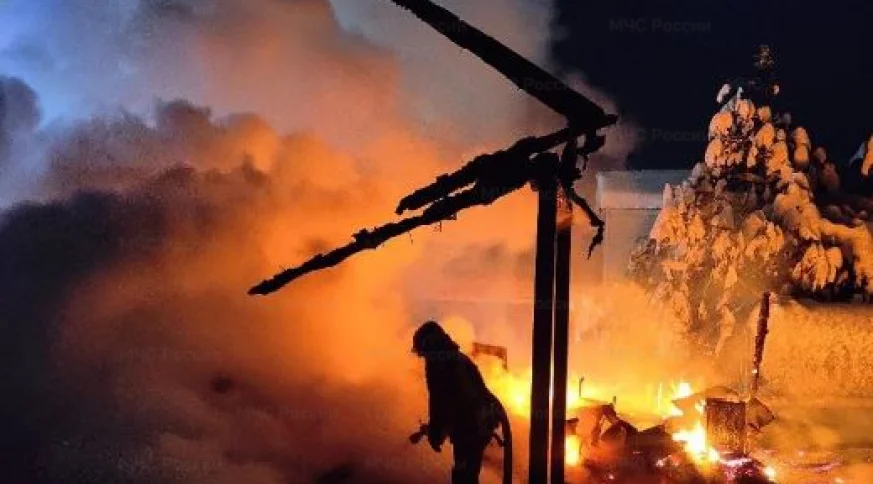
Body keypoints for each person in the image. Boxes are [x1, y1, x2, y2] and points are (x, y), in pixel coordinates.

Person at [412, 321, 509, 484]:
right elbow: (456, 399)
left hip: (471, 429)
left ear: (426, 344)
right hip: (480, 425)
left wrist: (436, 433)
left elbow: (440, 402)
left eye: (421, 353)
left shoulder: (438, 363)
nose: (422, 357)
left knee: (462, 477)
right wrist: (438, 429)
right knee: (467, 474)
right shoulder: (457, 358)